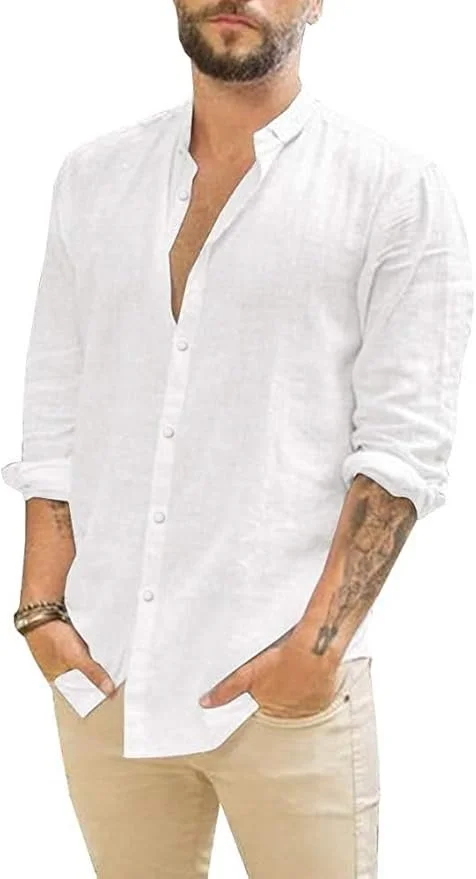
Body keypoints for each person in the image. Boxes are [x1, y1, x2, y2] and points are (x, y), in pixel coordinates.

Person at [2, 1, 473, 876]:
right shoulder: (92, 178)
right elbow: (54, 406)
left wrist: (314, 652)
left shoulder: (392, 190)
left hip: (285, 689)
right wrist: (41, 609)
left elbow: (403, 449)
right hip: (105, 674)